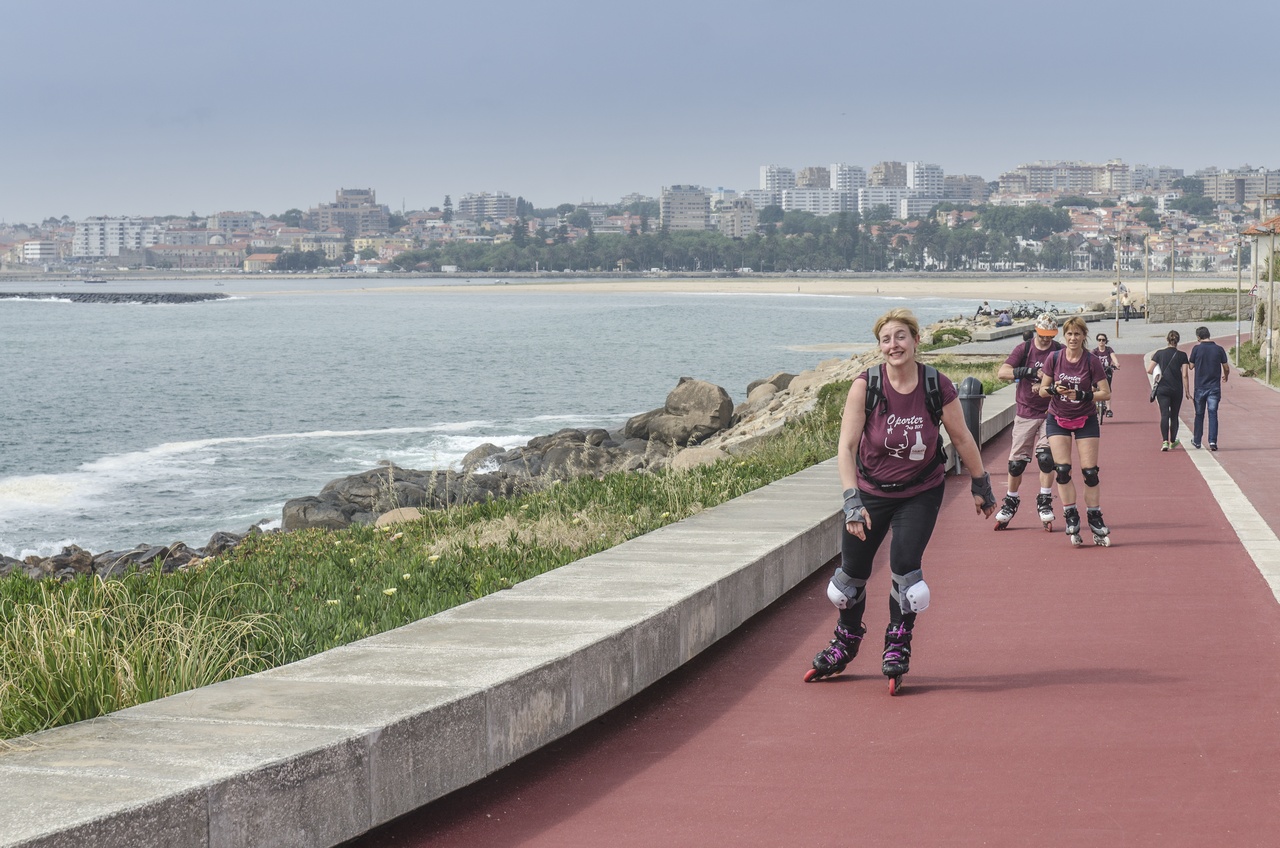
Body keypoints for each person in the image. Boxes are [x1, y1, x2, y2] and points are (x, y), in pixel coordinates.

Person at [805, 308, 996, 693]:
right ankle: (846, 639)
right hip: (870, 492)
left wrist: (981, 484)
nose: (894, 345)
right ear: (880, 346)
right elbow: (846, 447)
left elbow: (961, 437)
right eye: (886, 339)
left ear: (915, 340)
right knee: (846, 583)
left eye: (901, 337)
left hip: (920, 492)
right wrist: (851, 500)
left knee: (908, 575)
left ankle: (898, 640)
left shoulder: (936, 385)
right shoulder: (866, 386)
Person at [1036, 316, 1112, 547]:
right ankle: (1071, 514)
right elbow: (1042, 391)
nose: (1073, 338)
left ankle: (1094, 516)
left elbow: (1106, 393)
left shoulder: (1091, 361)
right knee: (1062, 470)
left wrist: (1083, 395)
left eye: (1077, 334)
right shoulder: (1054, 358)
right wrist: (1054, 389)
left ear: (1083, 336)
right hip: (1057, 418)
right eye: (1069, 334)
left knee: (1090, 472)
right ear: (1064, 335)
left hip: (1085, 418)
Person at [994, 312, 1064, 531]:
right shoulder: (1024, 349)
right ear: (1036, 330)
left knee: (1046, 459)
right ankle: (1010, 500)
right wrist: (1030, 371)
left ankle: (1044, 500)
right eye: (1042, 334)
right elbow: (1002, 373)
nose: (1046, 339)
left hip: (1052, 412)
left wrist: (1046, 387)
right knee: (1016, 464)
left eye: (1050, 335)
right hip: (1026, 412)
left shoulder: (1059, 350)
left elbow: (1069, 376)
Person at [1147, 331, 1191, 451]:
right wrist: (1187, 391)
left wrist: (1158, 372)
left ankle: (1165, 441)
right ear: (1178, 340)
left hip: (1162, 388)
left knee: (1164, 414)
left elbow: (1149, 370)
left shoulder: (1159, 353)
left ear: (1167, 340)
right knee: (1174, 415)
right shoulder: (1182, 355)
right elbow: (1185, 375)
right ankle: (1173, 441)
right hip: (1177, 389)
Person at [1188, 326, 1230, 450]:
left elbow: (1191, 366)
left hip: (1200, 387)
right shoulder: (1219, 349)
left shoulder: (1196, 349)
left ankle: (1197, 440)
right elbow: (1226, 367)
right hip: (1214, 387)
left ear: (1198, 337)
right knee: (1213, 414)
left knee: (1199, 414)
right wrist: (1226, 376)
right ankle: (1212, 442)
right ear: (1209, 335)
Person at [1092, 333, 1119, 418]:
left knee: (1107, 389)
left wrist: (1116, 363)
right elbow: (1090, 358)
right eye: (1099, 340)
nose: (1101, 341)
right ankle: (1093, 407)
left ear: (1105, 341)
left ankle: (1108, 410)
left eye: (1103, 340)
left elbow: (1113, 357)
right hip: (1096, 372)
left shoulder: (1108, 350)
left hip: (1107, 371)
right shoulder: (1095, 351)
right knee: (1093, 389)